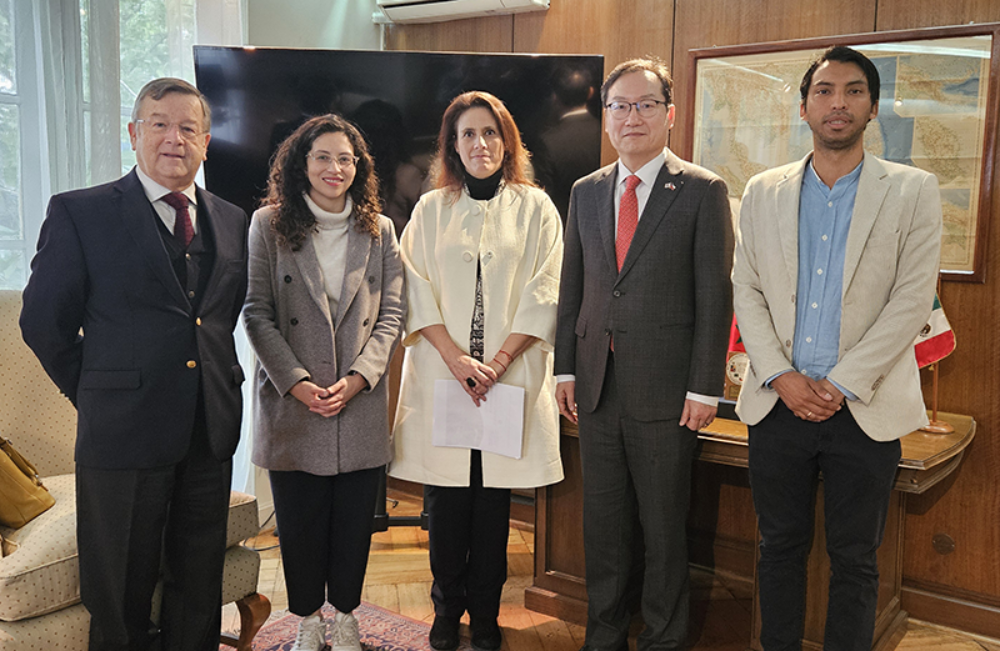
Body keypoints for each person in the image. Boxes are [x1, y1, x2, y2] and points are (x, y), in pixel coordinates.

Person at [19, 78, 248, 651]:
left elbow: (217, 319)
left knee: (198, 585)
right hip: (120, 434)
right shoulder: (81, 212)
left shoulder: (232, 219)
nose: (175, 138)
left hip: (209, 428)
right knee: (119, 589)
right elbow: (42, 321)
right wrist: (94, 392)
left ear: (206, 140)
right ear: (133, 133)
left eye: (188, 127)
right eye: (159, 124)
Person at [731, 46, 942, 650]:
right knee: (778, 551)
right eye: (824, 91)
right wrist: (780, 375)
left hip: (863, 411)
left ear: (872, 107)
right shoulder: (764, 190)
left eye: (853, 91)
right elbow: (746, 287)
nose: (837, 103)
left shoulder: (911, 190)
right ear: (804, 107)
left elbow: (911, 300)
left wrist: (841, 383)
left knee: (856, 560)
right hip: (778, 406)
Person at [554, 58, 733, 651]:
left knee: (662, 531)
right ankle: (603, 637)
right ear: (605, 118)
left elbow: (715, 295)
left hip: (667, 392)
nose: (632, 117)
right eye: (620, 106)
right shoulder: (586, 191)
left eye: (645, 104)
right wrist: (566, 367)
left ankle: (663, 639)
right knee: (603, 529)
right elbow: (572, 288)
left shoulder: (703, 190)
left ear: (669, 114)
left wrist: (705, 387)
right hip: (597, 389)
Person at [390, 91, 564, 651]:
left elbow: (547, 289)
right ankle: (446, 611)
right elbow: (412, 286)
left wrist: (499, 360)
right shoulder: (430, 209)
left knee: (493, 504)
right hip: (446, 375)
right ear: (452, 145)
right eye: (467, 134)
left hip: (505, 377)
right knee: (445, 501)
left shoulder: (535, 207)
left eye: (490, 132)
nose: (480, 143)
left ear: (506, 140)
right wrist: (455, 357)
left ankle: (486, 615)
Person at [243, 114, 405, 651]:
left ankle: (348, 616)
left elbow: (392, 313)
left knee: (355, 521)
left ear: (358, 167)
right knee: (301, 520)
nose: (335, 168)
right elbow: (257, 312)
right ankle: (308, 620)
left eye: (345, 158)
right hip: (296, 401)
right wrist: (295, 382)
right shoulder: (268, 224)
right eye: (323, 157)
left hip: (358, 398)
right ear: (300, 163)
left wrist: (360, 377)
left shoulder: (379, 229)